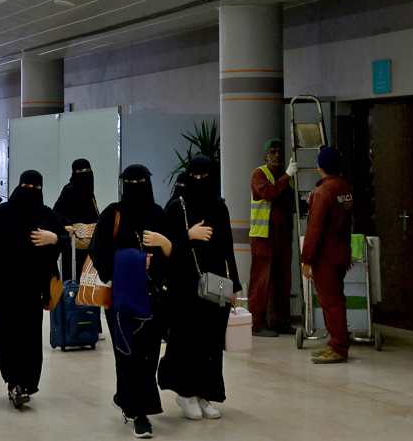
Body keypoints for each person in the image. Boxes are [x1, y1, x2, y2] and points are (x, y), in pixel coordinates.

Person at [90, 165, 173, 439]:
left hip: (154, 300)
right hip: (122, 299)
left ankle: (127, 398)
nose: (137, 187)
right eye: (131, 183)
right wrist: (136, 261)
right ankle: (140, 414)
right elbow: (99, 252)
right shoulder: (113, 214)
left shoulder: (158, 214)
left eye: (141, 182)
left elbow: (176, 254)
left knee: (147, 358)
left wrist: (163, 245)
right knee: (127, 355)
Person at [0, 170, 69, 409]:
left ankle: (24, 384)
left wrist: (53, 238)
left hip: (32, 290)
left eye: (35, 188)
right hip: (0, 288)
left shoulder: (46, 215)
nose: (31, 193)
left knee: (28, 337)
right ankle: (14, 384)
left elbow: (66, 240)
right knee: (6, 337)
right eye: (27, 187)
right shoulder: (3, 212)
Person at [158, 157, 241, 421]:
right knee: (186, 339)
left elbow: (228, 248)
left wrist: (234, 287)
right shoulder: (176, 207)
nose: (200, 181)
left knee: (211, 342)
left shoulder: (219, 206)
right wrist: (188, 235)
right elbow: (166, 247)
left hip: (216, 287)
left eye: (205, 175)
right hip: (185, 286)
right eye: (195, 175)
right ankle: (185, 392)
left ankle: (204, 393)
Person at [300, 146, 354, 364]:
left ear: (319, 166)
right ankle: (335, 343)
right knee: (336, 300)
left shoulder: (322, 193)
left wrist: (306, 260)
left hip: (326, 256)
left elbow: (314, 230)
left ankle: (339, 347)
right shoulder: (344, 188)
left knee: (331, 303)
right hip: (341, 252)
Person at [248, 139, 299, 336]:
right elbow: (269, 194)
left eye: (279, 152)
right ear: (265, 155)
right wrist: (287, 176)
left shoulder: (288, 177)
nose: (277, 155)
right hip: (264, 237)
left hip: (283, 236)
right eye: (272, 152)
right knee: (261, 281)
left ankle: (280, 322)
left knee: (282, 280)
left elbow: (291, 202)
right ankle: (257, 324)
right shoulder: (260, 174)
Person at [53, 158, 100, 280]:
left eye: (87, 170)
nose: (85, 173)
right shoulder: (69, 190)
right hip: (74, 243)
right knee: (73, 279)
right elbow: (57, 212)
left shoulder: (90, 192)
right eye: (80, 171)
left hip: (90, 243)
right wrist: (67, 225)